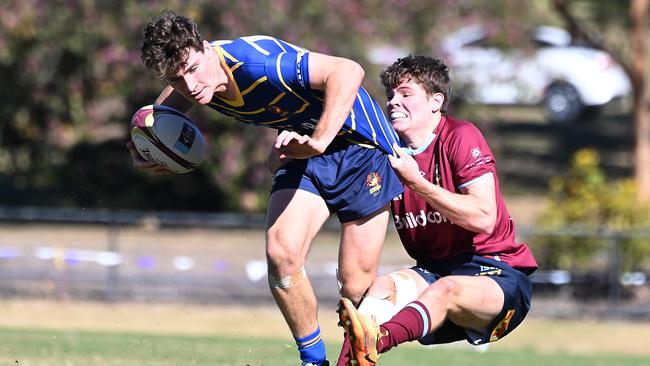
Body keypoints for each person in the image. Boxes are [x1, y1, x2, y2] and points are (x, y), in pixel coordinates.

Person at [127, 11, 404, 366]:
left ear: (206, 48)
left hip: (360, 147)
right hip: (300, 147)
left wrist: (319, 140)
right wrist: (142, 147)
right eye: (177, 79)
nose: (190, 86)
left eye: (193, 69)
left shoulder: (259, 65)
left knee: (355, 289)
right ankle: (313, 361)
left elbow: (347, 70)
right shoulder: (191, 82)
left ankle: (392, 312)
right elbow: (154, 118)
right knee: (281, 254)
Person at [336, 55, 539, 365]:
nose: (393, 102)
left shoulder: (460, 135)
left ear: (436, 101)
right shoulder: (387, 151)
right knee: (377, 292)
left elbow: (484, 218)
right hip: (435, 272)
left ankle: (379, 339)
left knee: (446, 289)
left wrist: (418, 183)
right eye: (390, 95)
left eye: (405, 94)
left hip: (498, 274)